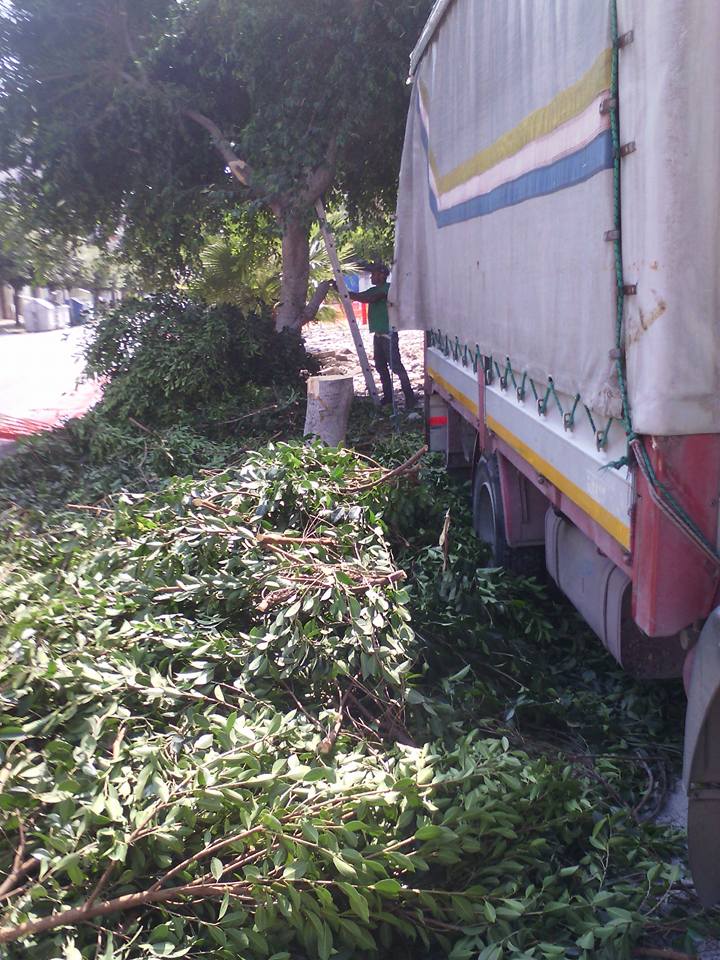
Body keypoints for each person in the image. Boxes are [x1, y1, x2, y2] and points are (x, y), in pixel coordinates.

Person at [336, 263, 416, 408]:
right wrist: (342, 290)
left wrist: (342, 290)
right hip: (378, 334)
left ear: (382, 275)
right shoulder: (374, 289)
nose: (372, 277)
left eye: (374, 274)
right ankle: (388, 397)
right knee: (380, 366)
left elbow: (368, 298)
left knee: (396, 367)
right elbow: (363, 296)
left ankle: (410, 397)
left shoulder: (387, 289)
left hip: (388, 334)